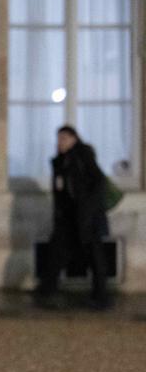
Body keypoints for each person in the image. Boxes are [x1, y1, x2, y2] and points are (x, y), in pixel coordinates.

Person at [34, 125, 112, 309]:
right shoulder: (61, 161)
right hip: (68, 216)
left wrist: (88, 209)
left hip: (86, 217)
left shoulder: (83, 156)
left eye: (64, 138)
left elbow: (98, 182)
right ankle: (48, 288)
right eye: (58, 139)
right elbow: (61, 191)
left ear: (74, 139)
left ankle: (101, 295)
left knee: (94, 255)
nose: (60, 143)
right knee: (56, 251)